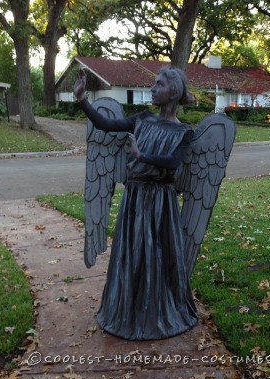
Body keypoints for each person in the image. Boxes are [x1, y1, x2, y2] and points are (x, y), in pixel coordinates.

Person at [74, 66, 198, 340]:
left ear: (174, 91)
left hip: (162, 204)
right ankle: (129, 310)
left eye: (159, 84)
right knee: (133, 254)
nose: (153, 89)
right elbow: (105, 125)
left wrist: (141, 156)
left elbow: (173, 164)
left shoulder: (185, 133)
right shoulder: (141, 119)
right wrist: (82, 100)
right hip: (135, 199)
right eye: (154, 84)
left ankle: (156, 311)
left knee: (158, 254)